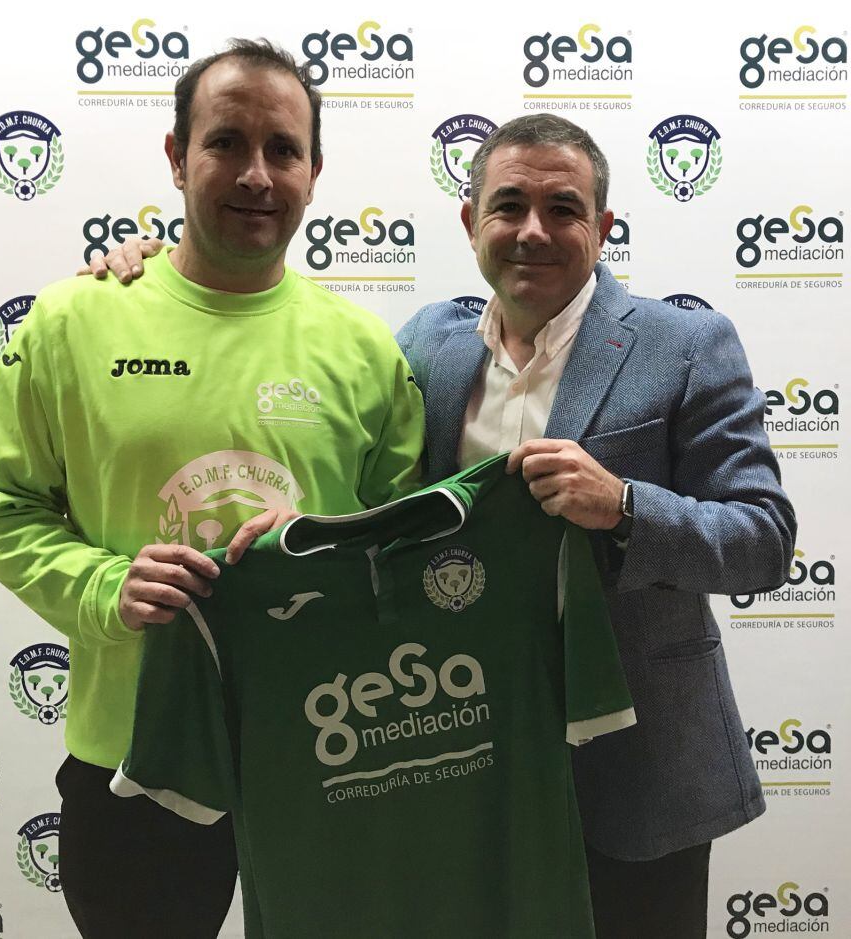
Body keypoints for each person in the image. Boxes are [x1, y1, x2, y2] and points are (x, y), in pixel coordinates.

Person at [91, 113, 796, 936]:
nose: (533, 231)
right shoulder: (430, 347)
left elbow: (764, 539)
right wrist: (155, 273)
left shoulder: (687, 344)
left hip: (638, 773)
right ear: (471, 222)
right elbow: (381, 496)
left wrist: (625, 506)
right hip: (466, 766)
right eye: (509, 206)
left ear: (603, 227)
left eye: (563, 209)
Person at [0, 40, 423, 939]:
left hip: (334, 747)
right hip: (137, 756)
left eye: (283, 149)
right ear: (176, 157)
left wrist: (328, 544)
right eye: (226, 142)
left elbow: (410, 542)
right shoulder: (75, 321)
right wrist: (106, 586)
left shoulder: (365, 348)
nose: (256, 174)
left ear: (315, 172)